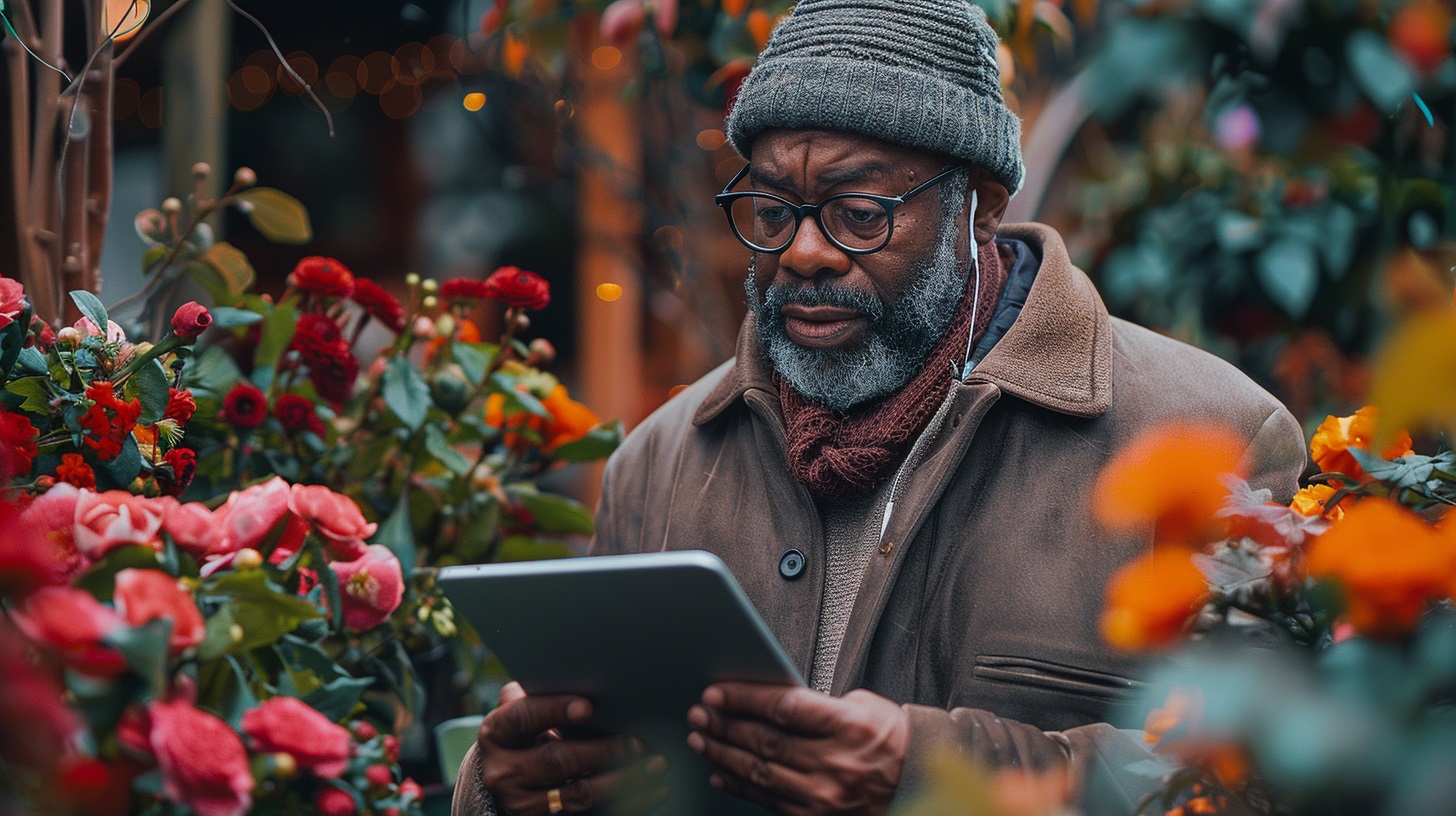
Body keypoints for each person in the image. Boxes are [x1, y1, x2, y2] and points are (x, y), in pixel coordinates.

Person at [454, 1, 1307, 814]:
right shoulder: (661, 460)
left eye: (859, 214)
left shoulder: (1213, 438)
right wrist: (511, 789)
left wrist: (926, 778)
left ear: (981, 205)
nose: (806, 252)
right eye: (772, 209)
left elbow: (1276, 780)